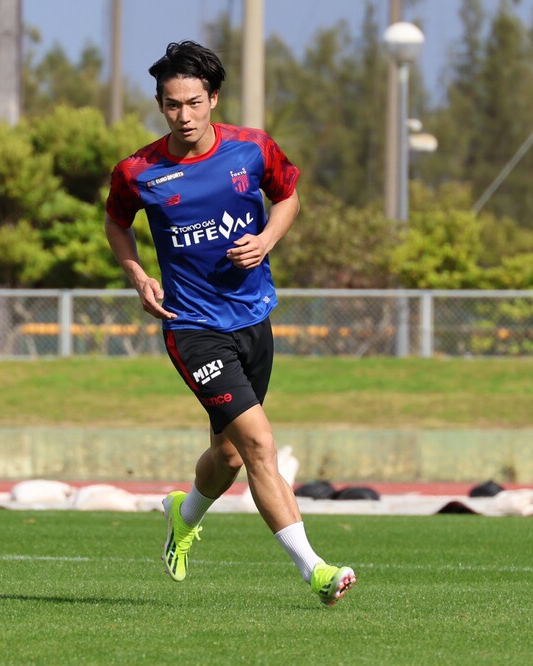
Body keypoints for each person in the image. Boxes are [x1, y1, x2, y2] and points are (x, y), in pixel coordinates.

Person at [104, 41, 356, 605]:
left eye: (194, 103)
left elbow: (288, 197)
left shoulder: (252, 148)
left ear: (213, 99)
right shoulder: (139, 171)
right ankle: (315, 570)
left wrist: (265, 240)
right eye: (172, 105)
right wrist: (138, 276)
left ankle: (183, 514)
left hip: (252, 319)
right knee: (261, 445)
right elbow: (115, 223)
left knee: (230, 456)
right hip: (191, 327)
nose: (184, 116)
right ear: (160, 105)